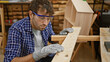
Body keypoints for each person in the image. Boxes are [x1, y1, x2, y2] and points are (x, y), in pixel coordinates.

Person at [4, 0, 73, 62]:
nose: (45, 23)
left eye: (48, 18)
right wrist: (38, 55)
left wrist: (61, 36)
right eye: (42, 18)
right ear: (31, 14)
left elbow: (52, 38)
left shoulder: (46, 24)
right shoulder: (17, 29)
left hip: (44, 59)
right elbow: (10, 60)